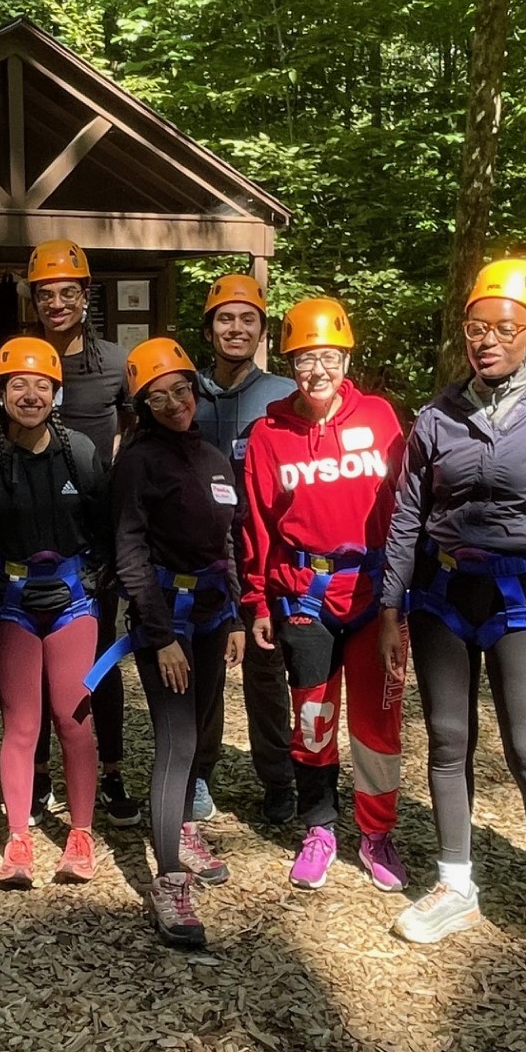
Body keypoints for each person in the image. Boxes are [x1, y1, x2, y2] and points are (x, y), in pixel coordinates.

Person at [380, 257, 526, 976]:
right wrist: (389, 606)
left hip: (525, 595)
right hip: (443, 594)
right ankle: (456, 885)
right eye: (478, 327)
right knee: (448, 741)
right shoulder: (437, 415)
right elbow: (408, 514)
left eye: (506, 329)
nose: (488, 341)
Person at [239, 298, 408, 892]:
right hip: (303, 596)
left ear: (347, 360)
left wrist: (402, 596)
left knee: (378, 723)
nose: (318, 371)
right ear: (289, 365)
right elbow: (257, 524)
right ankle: (319, 825)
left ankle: (376, 832)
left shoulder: (380, 418)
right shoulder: (268, 434)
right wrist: (258, 601)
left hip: (374, 596)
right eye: (305, 360)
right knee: (313, 719)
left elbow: (405, 508)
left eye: (329, 357)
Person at [107, 338, 245, 948]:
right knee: (177, 740)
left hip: (212, 616)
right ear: (142, 406)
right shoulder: (139, 462)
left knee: (201, 730)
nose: (174, 403)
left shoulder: (213, 457)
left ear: (194, 389)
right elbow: (129, 551)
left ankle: (184, 828)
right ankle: (168, 880)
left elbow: (227, 542)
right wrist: (159, 635)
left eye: (181, 390)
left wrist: (235, 615)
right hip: (167, 621)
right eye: (157, 397)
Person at [0, 337, 107, 888]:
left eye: (41, 385)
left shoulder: (80, 453)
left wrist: (96, 578)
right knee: (21, 725)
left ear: (56, 393)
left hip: (72, 601)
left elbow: (104, 522)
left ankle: (81, 834)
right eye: (17, 384)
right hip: (11, 605)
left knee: (73, 719)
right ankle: (19, 837)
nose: (30, 395)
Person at [25, 239, 140, 827]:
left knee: (99, 652)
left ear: (86, 295)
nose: (57, 304)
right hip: (36, 525)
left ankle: (111, 771)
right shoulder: (21, 358)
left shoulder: (116, 363)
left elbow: (136, 430)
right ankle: (41, 771)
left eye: (67, 292)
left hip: (97, 526)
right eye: (46, 294)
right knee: (39, 654)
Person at [192, 274, 298, 824]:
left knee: (265, 666)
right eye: (225, 319)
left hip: (263, 551)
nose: (236, 328)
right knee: (203, 669)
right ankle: (198, 773)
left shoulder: (283, 395)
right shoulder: (185, 391)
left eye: (247, 319)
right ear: (209, 329)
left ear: (262, 330)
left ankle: (278, 778)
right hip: (201, 555)